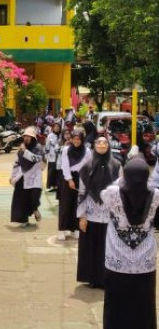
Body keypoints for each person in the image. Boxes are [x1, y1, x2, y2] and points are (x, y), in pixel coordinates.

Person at [102, 157, 159, 329]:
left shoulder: (112, 193)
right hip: (145, 261)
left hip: (117, 259)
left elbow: (104, 194)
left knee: (117, 302)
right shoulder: (156, 195)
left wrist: (122, 175)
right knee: (143, 302)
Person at [77, 136, 121, 288]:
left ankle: (106, 278)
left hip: (110, 214)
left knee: (108, 247)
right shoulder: (87, 165)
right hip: (91, 212)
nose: (102, 144)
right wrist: (82, 216)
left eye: (105, 142)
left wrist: (119, 214)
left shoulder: (116, 165)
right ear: (94, 146)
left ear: (108, 146)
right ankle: (93, 279)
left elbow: (120, 191)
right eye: (99, 142)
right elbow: (82, 191)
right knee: (92, 247)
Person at [58, 131, 91, 241]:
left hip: (81, 178)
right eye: (74, 138)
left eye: (79, 139)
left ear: (82, 140)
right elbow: (65, 164)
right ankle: (62, 229)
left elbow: (89, 166)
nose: (76, 141)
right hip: (68, 178)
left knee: (79, 204)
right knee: (65, 204)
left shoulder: (87, 151)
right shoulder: (66, 150)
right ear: (71, 139)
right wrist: (69, 179)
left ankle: (76, 229)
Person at [10, 127, 44, 228]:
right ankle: (23, 219)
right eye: (25, 136)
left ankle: (35, 209)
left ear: (33, 138)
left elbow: (38, 159)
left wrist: (26, 152)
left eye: (29, 136)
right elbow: (17, 163)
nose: (26, 138)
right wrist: (12, 176)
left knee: (34, 197)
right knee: (22, 198)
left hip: (35, 176)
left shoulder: (38, 147)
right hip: (23, 176)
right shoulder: (21, 148)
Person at [55, 128, 72, 201]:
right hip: (60, 165)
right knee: (60, 182)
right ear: (63, 135)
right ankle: (60, 197)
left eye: (68, 133)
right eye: (65, 134)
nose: (67, 135)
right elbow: (56, 150)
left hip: (69, 166)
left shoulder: (72, 142)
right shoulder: (59, 142)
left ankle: (66, 197)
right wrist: (64, 146)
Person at [45, 122, 62, 192]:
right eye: (55, 127)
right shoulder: (50, 136)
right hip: (52, 156)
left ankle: (57, 185)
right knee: (51, 171)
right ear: (53, 128)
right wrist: (46, 155)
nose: (57, 128)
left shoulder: (61, 135)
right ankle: (50, 185)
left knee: (58, 171)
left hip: (60, 156)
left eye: (58, 127)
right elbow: (47, 146)